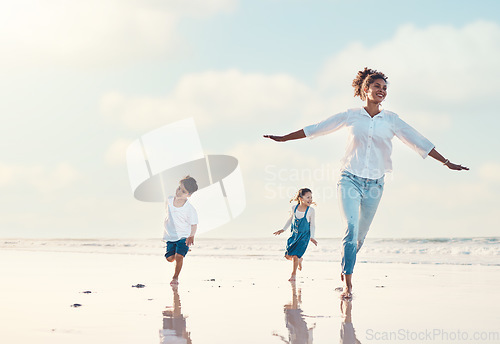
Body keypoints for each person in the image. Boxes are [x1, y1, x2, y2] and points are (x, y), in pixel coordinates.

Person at [264, 67, 469, 299]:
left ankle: (345, 266)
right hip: (349, 178)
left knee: (359, 237)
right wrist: (284, 138)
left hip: (375, 185)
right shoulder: (351, 115)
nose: (381, 91)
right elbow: (318, 128)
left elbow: (418, 141)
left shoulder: (392, 120)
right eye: (377, 87)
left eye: (384, 88)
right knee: (350, 230)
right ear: (365, 89)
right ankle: (348, 285)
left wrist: (446, 162)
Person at [274, 188, 318, 281]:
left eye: (311, 197)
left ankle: (293, 274)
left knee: (295, 255)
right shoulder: (294, 208)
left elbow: (312, 225)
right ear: (301, 198)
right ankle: (299, 260)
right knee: (287, 255)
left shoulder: (311, 211)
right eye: (308, 197)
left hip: (304, 236)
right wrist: (283, 229)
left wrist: (312, 237)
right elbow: (290, 219)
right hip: (294, 235)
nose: (310, 199)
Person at [163, 176, 199, 286]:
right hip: (171, 236)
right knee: (169, 258)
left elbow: (194, 224)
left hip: (184, 236)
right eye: (179, 188)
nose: (179, 192)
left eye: (183, 191)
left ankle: (175, 278)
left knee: (179, 256)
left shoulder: (189, 209)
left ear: (189, 195)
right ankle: (183, 251)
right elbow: (168, 215)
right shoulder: (169, 200)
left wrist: (191, 236)